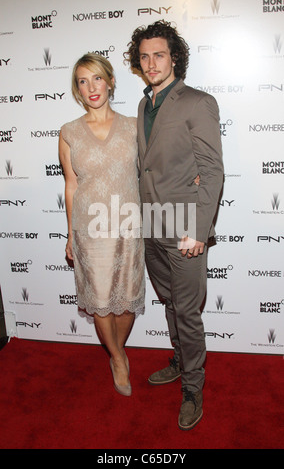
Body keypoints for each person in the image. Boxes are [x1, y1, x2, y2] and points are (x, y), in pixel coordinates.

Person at [125, 21, 223, 428]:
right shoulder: (144, 105)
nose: (151, 63)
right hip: (152, 226)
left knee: (187, 312)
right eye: (144, 56)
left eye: (159, 54)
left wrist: (198, 231)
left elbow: (212, 171)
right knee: (169, 302)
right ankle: (181, 362)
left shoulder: (197, 102)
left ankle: (193, 389)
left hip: (185, 229)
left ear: (175, 58)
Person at [59, 53, 145, 397]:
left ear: (110, 81)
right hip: (89, 229)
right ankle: (118, 358)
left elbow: (154, 167)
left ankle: (115, 349)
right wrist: (69, 233)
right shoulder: (69, 132)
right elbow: (70, 184)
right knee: (100, 299)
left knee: (125, 302)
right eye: (82, 81)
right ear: (77, 91)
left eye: (97, 78)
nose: (91, 87)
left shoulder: (133, 125)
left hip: (128, 224)